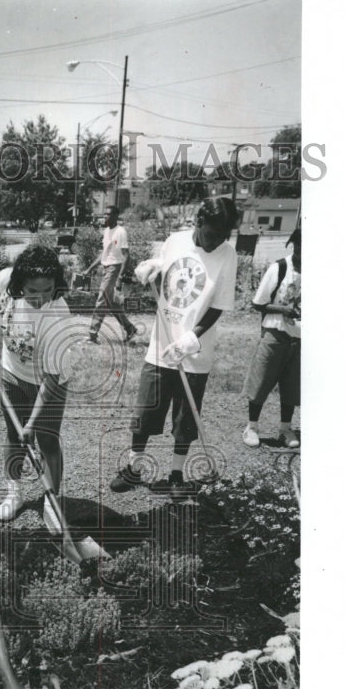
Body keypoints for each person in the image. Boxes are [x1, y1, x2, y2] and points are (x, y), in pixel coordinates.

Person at [109, 196, 238, 501]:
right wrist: (150, 267)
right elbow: (162, 267)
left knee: (185, 418)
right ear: (198, 223)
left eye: (222, 236)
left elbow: (219, 305)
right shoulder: (176, 240)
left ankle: (176, 474)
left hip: (195, 351)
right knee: (145, 411)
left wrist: (192, 338)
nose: (215, 242)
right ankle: (134, 467)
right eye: (210, 235)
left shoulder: (227, 255)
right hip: (161, 345)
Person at [0, 245, 71, 530]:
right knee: (14, 435)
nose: (41, 298)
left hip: (48, 381)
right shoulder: (6, 279)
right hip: (12, 373)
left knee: (46, 440)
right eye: (32, 291)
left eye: (48, 289)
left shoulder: (57, 315)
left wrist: (34, 423)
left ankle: (51, 500)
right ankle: (14, 493)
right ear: (18, 284)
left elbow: (52, 377)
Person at [242, 229, 301, 449]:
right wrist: (283, 309)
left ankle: (285, 428)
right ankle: (252, 426)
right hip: (275, 333)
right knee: (262, 380)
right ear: (294, 246)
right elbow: (258, 304)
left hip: (301, 338)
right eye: (301, 248)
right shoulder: (280, 268)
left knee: (292, 385)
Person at [82, 206, 137, 343]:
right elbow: (104, 253)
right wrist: (90, 268)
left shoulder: (120, 232)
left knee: (101, 300)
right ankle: (130, 329)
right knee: (111, 304)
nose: (105, 217)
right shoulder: (107, 231)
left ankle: (92, 335)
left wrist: (120, 277)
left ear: (115, 216)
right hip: (107, 268)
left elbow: (126, 256)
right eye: (104, 214)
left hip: (114, 269)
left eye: (108, 215)